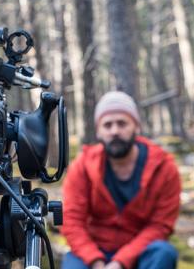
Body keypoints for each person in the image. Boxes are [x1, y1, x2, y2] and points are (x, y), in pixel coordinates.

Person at [61, 91, 181, 269]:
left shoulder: (164, 167)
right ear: (98, 131)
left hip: (141, 252)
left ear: (137, 126)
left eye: (122, 123)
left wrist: (120, 262)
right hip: (95, 252)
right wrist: (95, 261)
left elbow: (160, 226)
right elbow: (72, 220)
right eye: (107, 125)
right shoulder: (83, 165)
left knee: (164, 252)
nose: (115, 131)